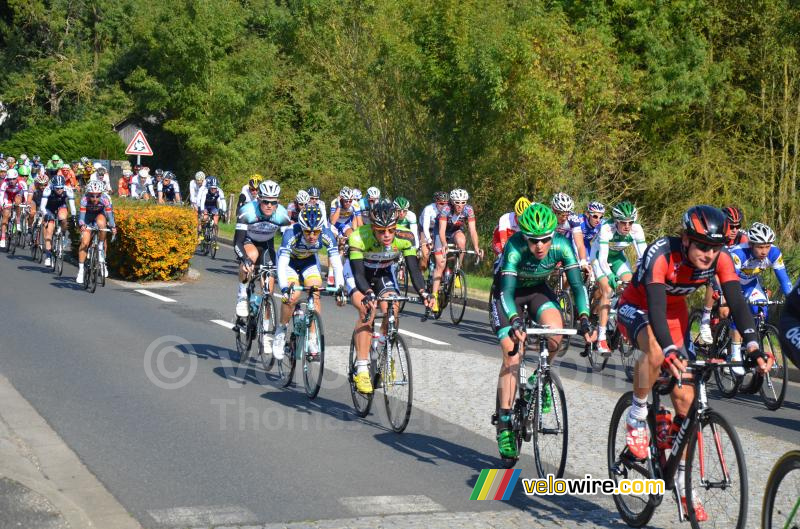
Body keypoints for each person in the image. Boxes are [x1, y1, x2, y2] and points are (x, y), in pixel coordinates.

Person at [617, 206, 771, 520]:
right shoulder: (661, 254)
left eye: (714, 248)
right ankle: (636, 416)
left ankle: (682, 480)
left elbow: (738, 304)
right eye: (701, 246)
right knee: (659, 354)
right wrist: (671, 350)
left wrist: (754, 346)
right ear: (685, 240)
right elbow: (656, 310)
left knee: (687, 402)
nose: (708, 254)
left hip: (675, 317)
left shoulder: (721, 259)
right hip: (638, 308)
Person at [491, 203, 594, 460]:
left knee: (557, 333)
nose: (540, 246)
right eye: (534, 240)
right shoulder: (514, 246)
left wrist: (584, 318)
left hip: (537, 290)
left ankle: (539, 379)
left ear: (553, 235)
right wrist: (515, 321)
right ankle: (504, 425)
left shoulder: (562, 245)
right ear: (524, 236)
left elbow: (577, 286)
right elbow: (505, 291)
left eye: (545, 240)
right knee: (513, 353)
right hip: (508, 295)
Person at [348, 200, 432, 394]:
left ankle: (383, 351)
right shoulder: (359, 237)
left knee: (393, 307)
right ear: (372, 227)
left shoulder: (405, 237)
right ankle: (361, 368)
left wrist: (423, 292)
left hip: (383, 274)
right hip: (358, 274)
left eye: (391, 230)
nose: (386, 235)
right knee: (366, 309)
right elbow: (358, 274)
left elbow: (413, 268)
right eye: (380, 231)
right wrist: (367, 294)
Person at [274, 205, 346, 359]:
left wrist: (340, 287)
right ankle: (281, 331)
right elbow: (281, 265)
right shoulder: (291, 234)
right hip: (290, 263)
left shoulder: (327, 234)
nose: (312, 236)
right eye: (307, 231)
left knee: (315, 290)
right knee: (293, 297)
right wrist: (285, 288)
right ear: (302, 228)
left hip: (308, 262)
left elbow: (337, 264)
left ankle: (313, 338)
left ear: (321, 229)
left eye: (316, 232)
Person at [726, 222, 793, 374]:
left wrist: (792, 300)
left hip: (750, 284)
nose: (764, 251)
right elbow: (730, 279)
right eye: (760, 247)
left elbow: (784, 280)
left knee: (762, 310)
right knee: (740, 311)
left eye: (767, 246)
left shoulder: (774, 253)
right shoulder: (738, 253)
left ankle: (752, 344)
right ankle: (735, 354)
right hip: (733, 283)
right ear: (750, 244)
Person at [589, 201, 647, 353]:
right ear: (616, 221)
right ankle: (601, 338)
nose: (627, 226)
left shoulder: (636, 230)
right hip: (598, 257)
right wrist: (610, 276)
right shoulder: (607, 228)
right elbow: (602, 259)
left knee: (631, 286)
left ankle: (621, 322)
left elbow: (645, 257)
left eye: (630, 222)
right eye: (623, 222)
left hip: (617, 258)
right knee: (608, 290)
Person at [233, 180, 289, 318]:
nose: (269, 206)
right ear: (259, 199)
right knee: (251, 255)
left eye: (273, 202)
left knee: (268, 290)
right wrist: (244, 259)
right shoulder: (247, 211)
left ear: (278, 202)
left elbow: (288, 242)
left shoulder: (282, 214)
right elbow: (237, 242)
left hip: (266, 244)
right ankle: (242, 297)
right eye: (265, 202)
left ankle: (264, 328)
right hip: (248, 240)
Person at [697, 205, 749, 343]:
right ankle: (705, 319)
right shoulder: (717, 235)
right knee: (716, 289)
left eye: (738, 226)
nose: (735, 230)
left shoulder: (743, 238)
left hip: (731, 272)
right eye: (731, 226)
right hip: (711, 270)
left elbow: (750, 264)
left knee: (728, 311)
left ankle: (724, 340)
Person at [430, 188, 484, 312]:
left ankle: (457, 271)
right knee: (441, 264)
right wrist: (444, 244)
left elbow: (472, 231)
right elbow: (442, 231)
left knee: (462, 242)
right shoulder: (446, 209)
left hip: (455, 231)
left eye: (463, 202)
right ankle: (434, 296)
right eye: (457, 203)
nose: (460, 206)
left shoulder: (468, 210)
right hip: (441, 232)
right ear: (452, 202)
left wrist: (476, 247)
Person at [76, 180, 116, 282]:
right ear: (88, 194)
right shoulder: (84, 199)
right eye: (92, 195)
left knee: (102, 223)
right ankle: (80, 271)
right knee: (85, 242)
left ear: (101, 194)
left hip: (99, 216)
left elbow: (110, 216)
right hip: (87, 218)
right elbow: (81, 217)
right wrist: (82, 225)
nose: (94, 198)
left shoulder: (105, 199)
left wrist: (113, 226)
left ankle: (101, 248)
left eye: (97, 196)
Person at [39, 175, 76, 267]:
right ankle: (48, 256)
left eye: (61, 188)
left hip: (61, 206)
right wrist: (45, 214)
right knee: (49, 232)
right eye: (57, 188)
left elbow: (72, 206)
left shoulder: (68, 189)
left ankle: (62, 236)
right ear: (53, 186)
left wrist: (74, 216)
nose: (59, 190)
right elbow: (42, 206)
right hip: (49, 208)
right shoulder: (48, 189)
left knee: (63, 218)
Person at [418, 191, 449, 272]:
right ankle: (421, 273)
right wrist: (429, 240)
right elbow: (425, 227)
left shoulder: (448, 209)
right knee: (425, 253)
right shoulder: (428, 209)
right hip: (425, 229)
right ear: (436, 203)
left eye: (446, 203)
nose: (444, 206)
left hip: (438, 229)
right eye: (441, 204)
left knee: (441, 249)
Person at [0, 168, 28, 249]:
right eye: (10, 179)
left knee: (18, 202)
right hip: (7, 196)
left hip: (17, 195)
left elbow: (25, 194)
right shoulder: (4, 183)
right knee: (5, 215)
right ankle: (2, 238)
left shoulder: (22, 182)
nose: (11, 181)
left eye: (13, 179)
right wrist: (3, 204)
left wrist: (25, 203)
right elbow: (1, 196)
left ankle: (18, 221)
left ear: (17, 178)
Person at [195, 176, 226, 242]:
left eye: (215, 188)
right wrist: (202, 210)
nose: (213, 190)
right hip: (205, 206)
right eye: (212, 188)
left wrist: (223, 210)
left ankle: (215, 238)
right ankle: (201, 233)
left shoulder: (219, 191)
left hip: (213, 206)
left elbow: (222, 201)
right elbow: (202, 201)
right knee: (204, 218)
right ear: (209, 187)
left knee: (216, 222)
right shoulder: (205, 190)